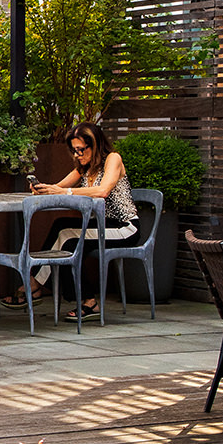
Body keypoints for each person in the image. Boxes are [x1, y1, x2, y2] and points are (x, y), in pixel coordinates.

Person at [25, 123, 138, 311]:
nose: (77, 155)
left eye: (81, 150)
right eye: (74, 151)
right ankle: (35, 283)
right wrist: (43, 190)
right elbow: (58, 187)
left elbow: (102, 191)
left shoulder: (112, 159)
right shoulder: (84, 167)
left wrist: (65, 191)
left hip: (123, 227)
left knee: (71, 244)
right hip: (101, 224)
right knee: (60, 225)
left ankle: (88, 301)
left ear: (95, 145)